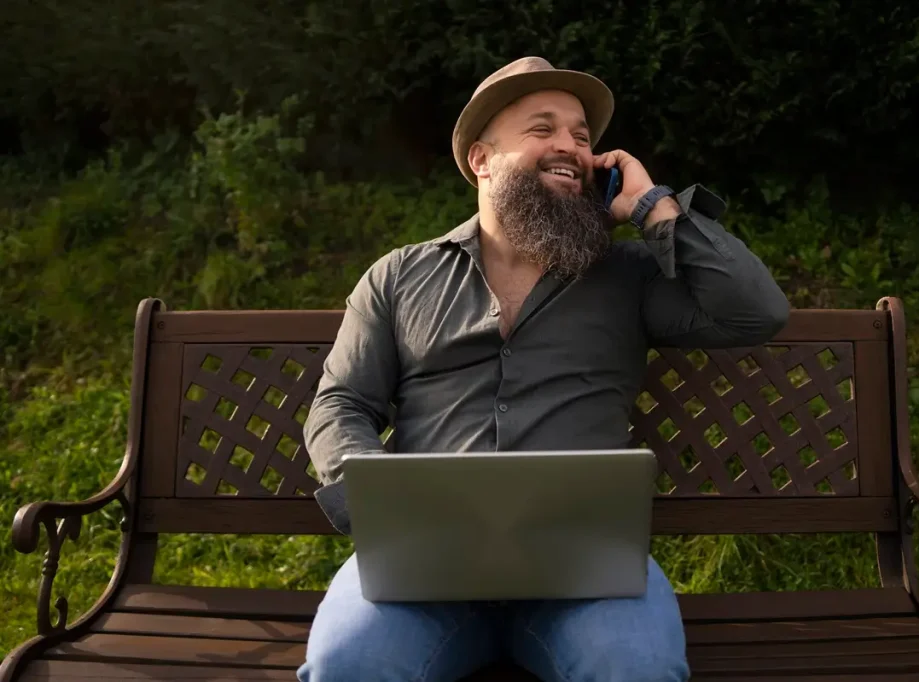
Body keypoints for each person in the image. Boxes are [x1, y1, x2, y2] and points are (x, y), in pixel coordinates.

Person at [299, 56, 790, 682]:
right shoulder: (400, 277)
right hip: (423, 566)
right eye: (543, 128)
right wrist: (382, 511)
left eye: (582, 136)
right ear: (481, 159)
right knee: (350, 665)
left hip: (587, 570)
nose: (571, 147)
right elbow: (341, 404)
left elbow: (757, 313)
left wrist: (652, 208)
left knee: (633, 668)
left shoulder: (629, 277)